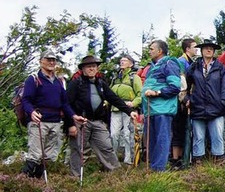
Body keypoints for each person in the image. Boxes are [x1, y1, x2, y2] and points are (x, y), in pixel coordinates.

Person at [66, 55, 138, 176]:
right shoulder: (76, 83)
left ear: (97, 68)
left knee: (106, 147)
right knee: (78, 149)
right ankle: (75, 177)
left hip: (98, 121)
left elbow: (114, 98)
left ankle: (116, 175)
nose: (91, 69)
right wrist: (70, 124)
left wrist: (129, 111)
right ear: (83, 69)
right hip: (81, 121)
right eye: (88, 67)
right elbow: (66, 104)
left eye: (94, 66)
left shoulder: (100, 83)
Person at [20, 49, 85, 178]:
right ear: (41, 61)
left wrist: (73, 116)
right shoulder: (33, 79)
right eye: (48, 59)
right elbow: (26, 100)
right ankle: (22, 182)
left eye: (53, 60)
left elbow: (64, 103)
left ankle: (40, 184)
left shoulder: (59, 81)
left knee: (50, 157)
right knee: (35, 155)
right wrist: (31, 112)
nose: (51, 62)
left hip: (56, 122)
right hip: (39, 122)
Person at [186, 40, 225, 165]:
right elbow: (185, 85)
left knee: (217, 135)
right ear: (201, 50)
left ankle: (218, 159)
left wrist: (223, 103)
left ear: (214, 51)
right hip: (197, 106)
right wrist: (187, 99)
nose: (209, 50)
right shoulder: (194, 67)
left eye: (211, 48)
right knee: (198, 136)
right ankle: (198, 160)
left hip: (216, 108)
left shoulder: (220, 67)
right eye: (206, 48)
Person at [141, 40, 181, 171]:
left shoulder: (169, 64)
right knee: (151, 140)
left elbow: (175, 87)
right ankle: (153, 167)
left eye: (152, 49)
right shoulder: (152, 67)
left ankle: (159, 169)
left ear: (160, 51)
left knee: (161, 139)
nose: (149, 51)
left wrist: (157, 92)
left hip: (162, 109)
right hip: (150, 110)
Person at [109, 54, 142, 165]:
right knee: (114, 134)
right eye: (121, 60)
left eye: (125, 60)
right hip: (115, 108)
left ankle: (129, 160)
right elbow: (109, 93)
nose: (122, 62)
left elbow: (140, 94)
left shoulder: (134, 77)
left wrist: (133, 103)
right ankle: (112, 160)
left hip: (129, 109)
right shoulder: (115, 77)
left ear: (131, 64)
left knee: (128, 134)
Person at [170, 38, 197, 169]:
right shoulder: (181, 62)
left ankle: (182, 158)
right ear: (187, 49)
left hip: (188, 100)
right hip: (180, 101)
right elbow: (181, 84)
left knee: (185, 129)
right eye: (194, 47)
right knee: (179, 129)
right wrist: (184, 98)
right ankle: (176, 159)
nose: (196, 50)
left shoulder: (191, 62)